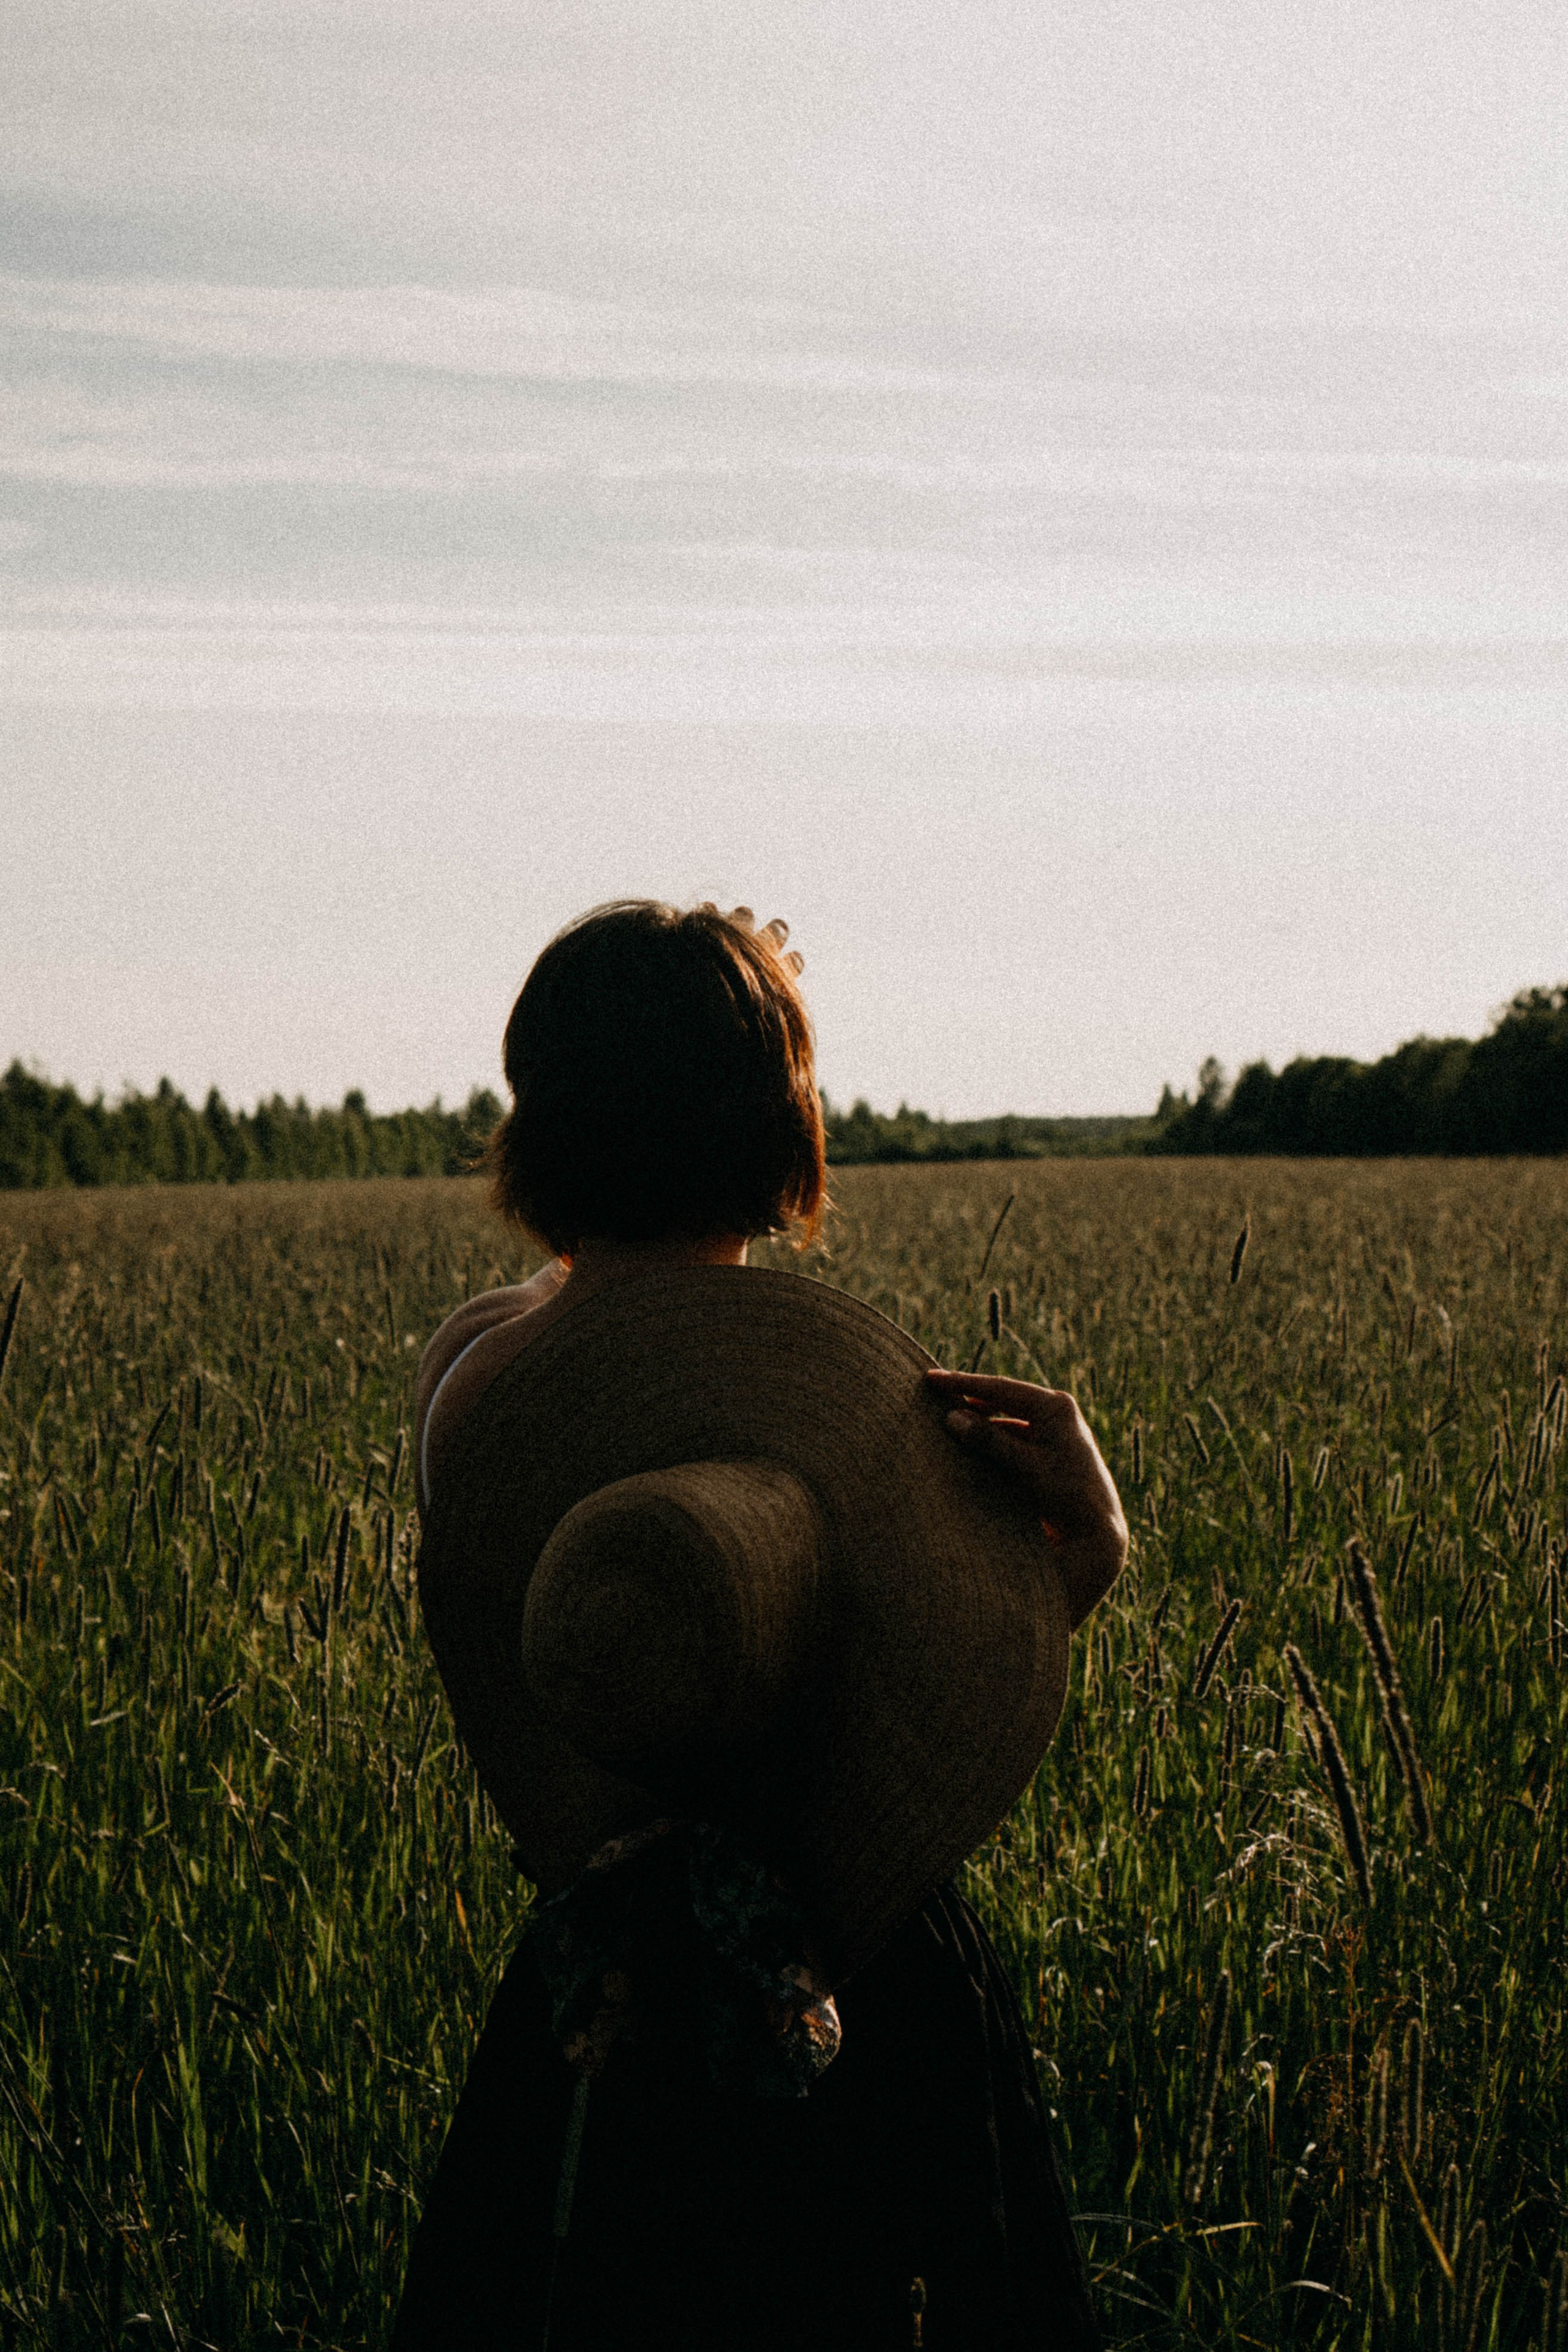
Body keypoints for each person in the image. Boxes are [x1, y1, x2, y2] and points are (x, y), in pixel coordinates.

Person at [391, 900, 1126, 2352]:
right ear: (785, 1135)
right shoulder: (859, 1422)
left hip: (592, 1998)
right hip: (864, 1983)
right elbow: (973, 1670)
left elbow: (550, 1304)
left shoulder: (470, 1393)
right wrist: (1090, 1541)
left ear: (535, 1129)